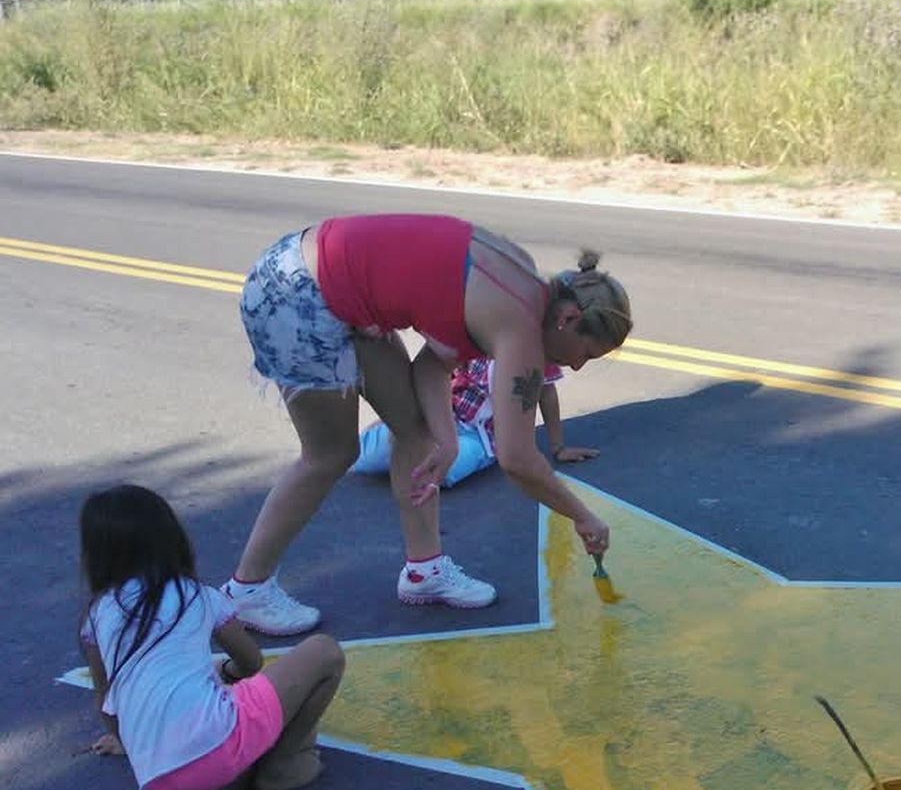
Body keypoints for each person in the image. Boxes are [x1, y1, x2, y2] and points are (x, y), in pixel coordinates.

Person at [225, 215, 631, 635]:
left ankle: (424, 571)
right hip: (296, 292)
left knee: (419, 434)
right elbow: (517, 458)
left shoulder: (525, 288)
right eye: (587, 352)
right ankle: (246, 591)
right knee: (330, 453)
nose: (579, 366)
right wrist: (583, 518)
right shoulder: (520, 327)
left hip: (333, 288)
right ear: (566, 318)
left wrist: (446, 437)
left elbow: (432, 366)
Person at [79, 484, 346, 790]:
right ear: (170, 538)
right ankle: (284, 764)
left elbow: (105, 697)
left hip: (156, 776)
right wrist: (231, 675)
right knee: (324, 652)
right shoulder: (197, 595)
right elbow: (251, 662)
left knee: (209, 754)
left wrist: (127, 742)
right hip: (217, 744)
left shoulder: (95, 617)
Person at [349, 358, 598, 488]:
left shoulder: (537, 351)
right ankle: (401, 447)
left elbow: (546, 392)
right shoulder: (476, 332)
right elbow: (435, 376)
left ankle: (414, 456)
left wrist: (558, 447)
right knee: (362, 459)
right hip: (440, 419)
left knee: (442, 474)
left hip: (481, 439)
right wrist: (391, 419)